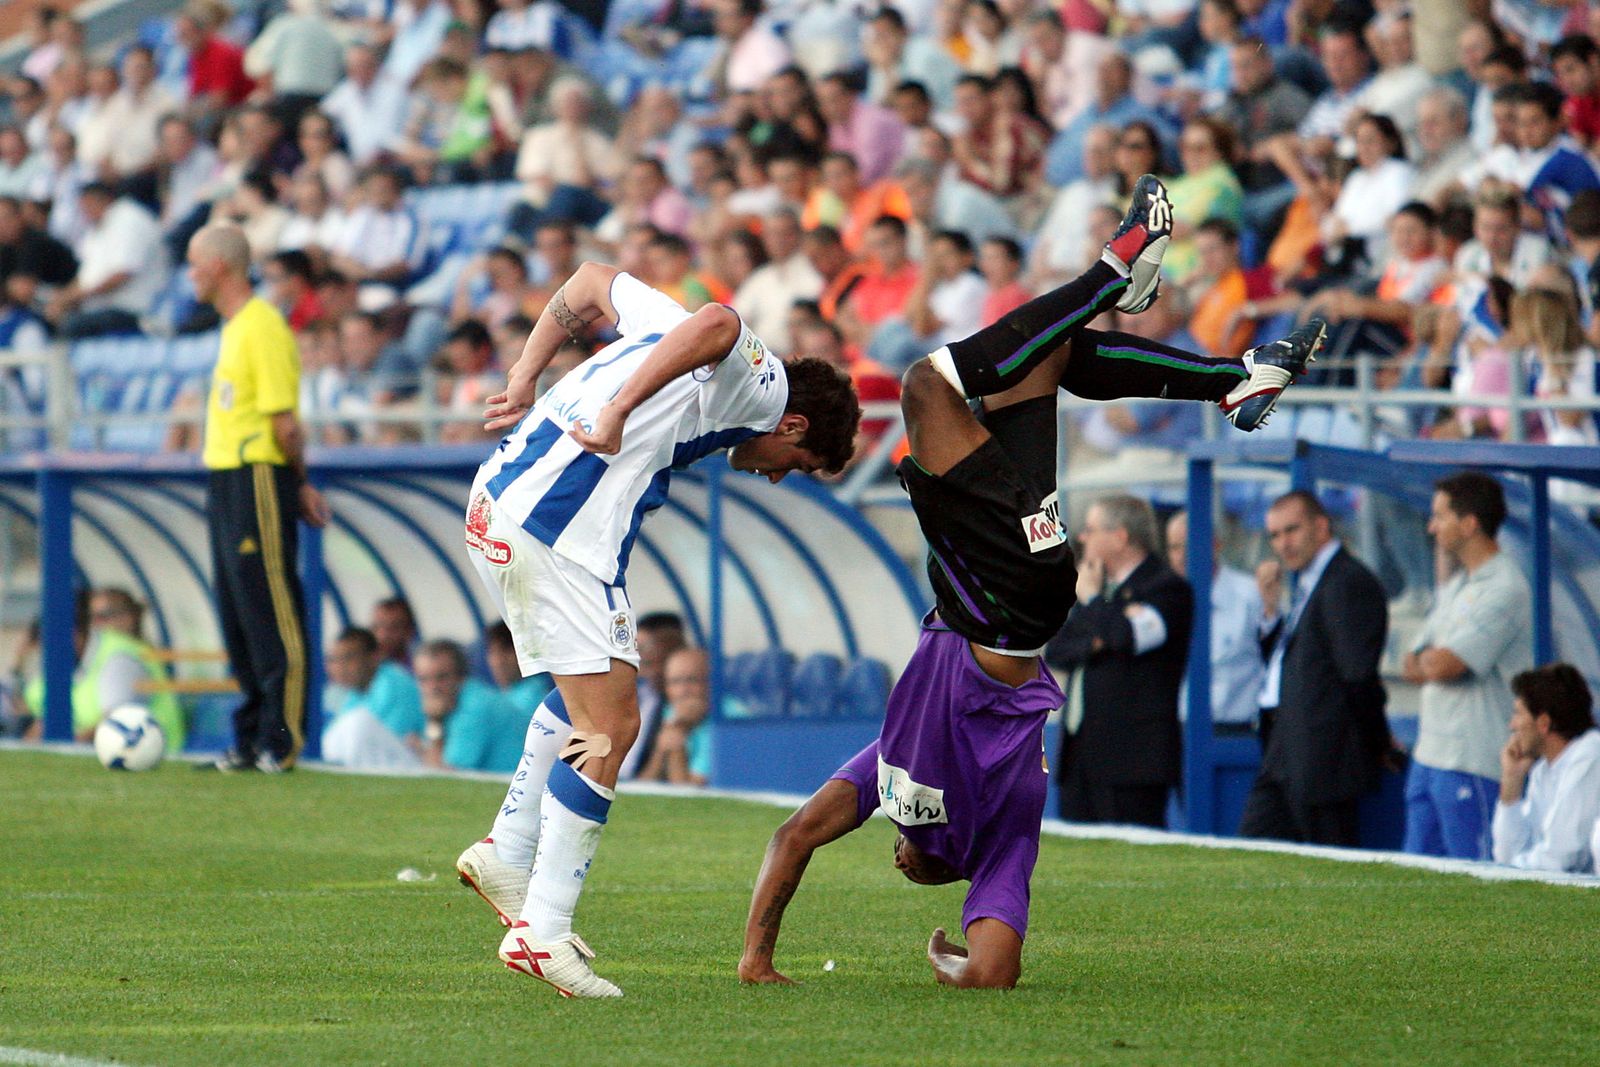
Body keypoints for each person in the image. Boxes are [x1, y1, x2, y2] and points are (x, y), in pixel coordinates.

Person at [737, 176, 1322, 991]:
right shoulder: (905, 789)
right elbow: (794, 837)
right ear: (927, 860)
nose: (893, 853)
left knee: (1038, 356)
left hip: (1023, 585)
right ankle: (1110, 278)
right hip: (998, 593)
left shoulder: (961, 810)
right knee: (925, 385)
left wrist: (949, 956)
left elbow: (988, 965)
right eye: (902, 857)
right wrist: (757, 957)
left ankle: (1232, 380)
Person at [452, 256, 861, 997]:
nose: (776, 473)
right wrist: (616, 409)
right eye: (795, 463)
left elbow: (585, 283)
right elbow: (720, 321)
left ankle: (510, 847)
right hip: (555, 529)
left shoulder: (663, 329)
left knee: (589, 698)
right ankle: (542, 930)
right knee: (612, 724)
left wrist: (524, 373)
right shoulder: (762, 388)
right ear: (793, 424)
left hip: (499, 505)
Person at [188, 223, 329, 773]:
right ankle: (248, 737)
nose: (190, 275)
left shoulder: (263, 326)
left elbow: (285, 424)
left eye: (195, 264)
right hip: (225, 477)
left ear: (220, 265)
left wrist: (297, 484)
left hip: (258, 476)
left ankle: (282, 737)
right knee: (237, 609)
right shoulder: (234, 328)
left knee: (270, 606)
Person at [1240, 490, 1390, 847]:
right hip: (1285, 750)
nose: (1282, 544)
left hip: (1324, 759)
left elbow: (1357, 675)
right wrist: (1271, 612)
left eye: (1291, 530)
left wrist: (1377, 741)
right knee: (1251, 856)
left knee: (1328, 873)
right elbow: (1299, 663)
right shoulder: (1311, 580)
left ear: (1321, 526)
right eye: (1274, 535)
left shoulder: (1347, 581)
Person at [1403, 472, 1533, 860]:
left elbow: (1446, 664)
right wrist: (1433, 660)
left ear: (1469, 523)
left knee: (1473, 883)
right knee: (1414, 881)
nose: (1431, 527)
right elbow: (1411, 662)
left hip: (1472, 761)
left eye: (1440, 516)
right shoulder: (1460, 584)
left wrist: (1436, 660)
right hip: (1429, 755)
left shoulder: (1505, 586)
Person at [1046, 495, 1191, 826]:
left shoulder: (1166, 588)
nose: (1082, 538)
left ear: (1120, 536)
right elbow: (1058, 650)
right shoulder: (1099, 588)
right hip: (1080, 758)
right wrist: (1101, 634)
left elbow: (1128, 637)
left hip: (1131, 763)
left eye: (1091, 530)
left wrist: (1095, 603)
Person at [1492, 663, 1600, 874]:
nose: (1512, 725)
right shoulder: (1543, 769)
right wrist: (1511, 781)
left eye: (1518, 714)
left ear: (1543, 723)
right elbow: (1507, 855)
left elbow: (1563, 857)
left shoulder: (1590, 756)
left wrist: (1507, 871)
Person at [1166, 509, 1264, 730]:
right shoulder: (1167, 600)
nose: (1181, 555)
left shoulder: (1249, 595)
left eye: (1188, 544)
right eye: (1174, 547)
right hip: (1182, 732)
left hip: (1238, 731)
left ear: (1216, 545)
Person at [321, 626, 424, 769]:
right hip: (383, 764)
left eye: (348, 658)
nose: (340, 667)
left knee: (358, 722)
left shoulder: (394, 683)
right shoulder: (354, 692)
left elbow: (392, 737)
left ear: (374, 657)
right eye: (335, 659)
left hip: (415, 763)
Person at [416, 639, 521, 773]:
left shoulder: (475, 707)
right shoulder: (457, 702)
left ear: (461, 676)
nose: (432, 688)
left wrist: (434, 722)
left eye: (441, 677)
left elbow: (445, 777)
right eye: (423, 679)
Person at [621, 611, 686, 780]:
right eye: (645, 661)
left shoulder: (685, 706)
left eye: (661, 659)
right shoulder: (637, 695)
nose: (653, 671)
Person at [485, 620, 554, 716]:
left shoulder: (533, 693)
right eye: (493, 652)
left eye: (506, 651)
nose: (499, 661)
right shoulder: (500, 697)